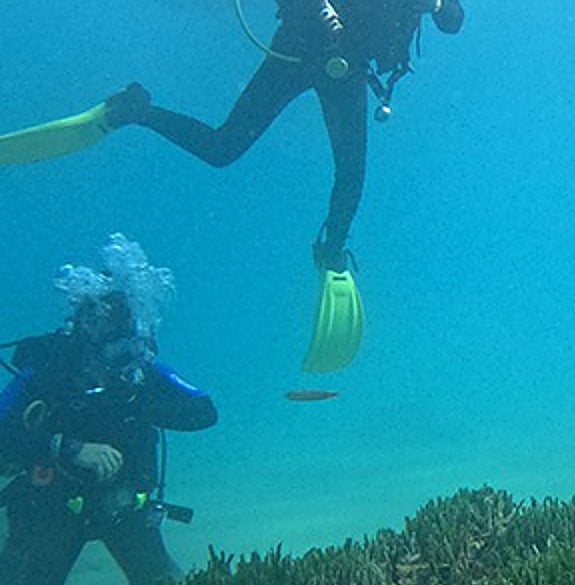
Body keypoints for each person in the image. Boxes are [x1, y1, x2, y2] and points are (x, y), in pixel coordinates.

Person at [0, 0, 465, 373]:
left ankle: (332, 252)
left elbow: (453, 23)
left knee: (352, 171)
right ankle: (132, 111)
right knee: (223, 149)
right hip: (301, 50)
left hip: (346, 68)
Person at [0, 235, 217, 585]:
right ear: (80, 325)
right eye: (98, 320)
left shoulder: (140, 373)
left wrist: (136, 398)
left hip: (124, 508)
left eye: (120, 321)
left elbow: (203, 411)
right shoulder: (45, 373)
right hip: (51, 509)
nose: (110, 333)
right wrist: (66, 447)